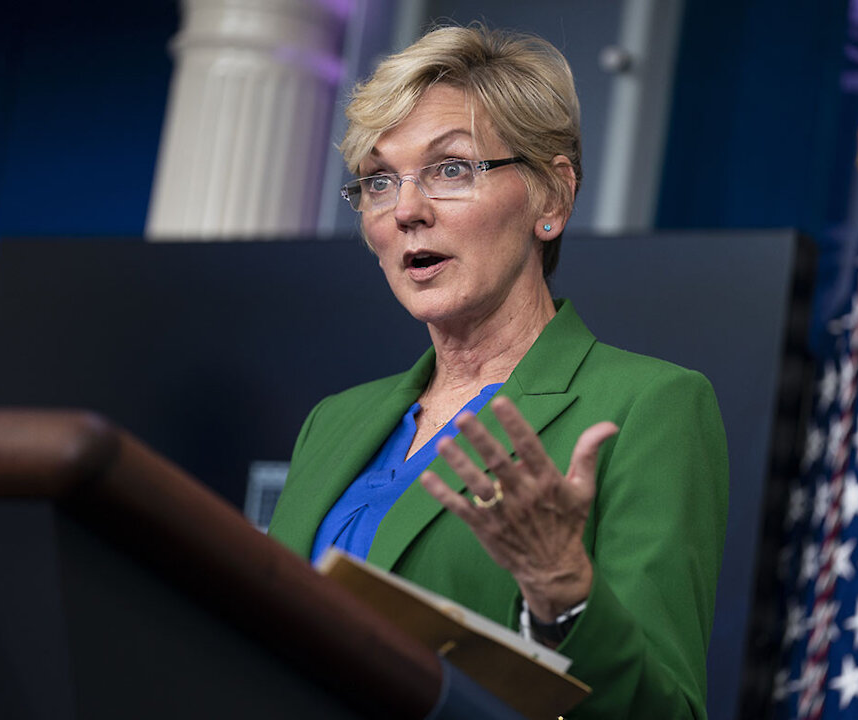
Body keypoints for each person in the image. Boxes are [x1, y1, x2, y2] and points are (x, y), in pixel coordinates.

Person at [266, 23, 729, 719]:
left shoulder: (648, 407)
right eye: (379, 181)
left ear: (552, 199)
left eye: (451, 169)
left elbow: (668, 712)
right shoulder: (335, 422)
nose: (408, 210)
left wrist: (564, 595)